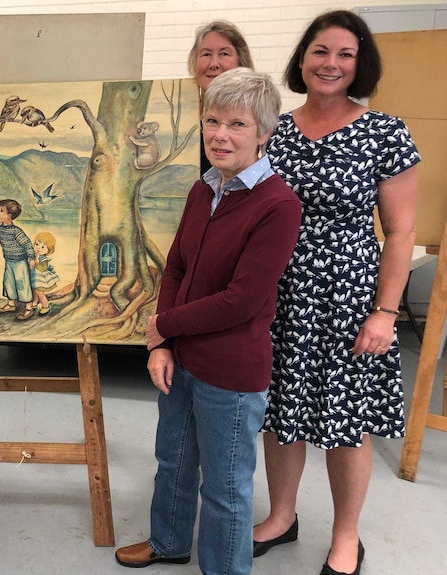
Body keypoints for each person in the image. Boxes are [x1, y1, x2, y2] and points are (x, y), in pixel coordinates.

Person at [114, 68, 301, 575]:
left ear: (264, 132)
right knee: (173, 462)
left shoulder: (278, 204)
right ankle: (168, 541)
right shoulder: (204, 190)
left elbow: (242, 300)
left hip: (232, 370)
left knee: (225, 488)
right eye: (213, 120)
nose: (220, 134)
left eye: (237, 124)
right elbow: (176, 266)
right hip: (183, 358)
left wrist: (164, 325)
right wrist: (164, 343)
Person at [253, 10, 420, 575]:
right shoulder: (272, 127)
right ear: (302, 58)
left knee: (345, 424)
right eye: (321, 51)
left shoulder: (386, 132)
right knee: (281, 412)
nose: (331, 63)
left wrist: (385, 312)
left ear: (359, 64)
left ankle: (346, 536)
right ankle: (280, 516)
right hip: (279, 293)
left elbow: (400, 231)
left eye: (345, 54)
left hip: (350, 298)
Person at [187, 20, 253, 173]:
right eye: (206, 54)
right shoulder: (181, 116)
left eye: (224, 54)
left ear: (240, 63)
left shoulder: (254, 117)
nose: (214, 63)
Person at [30, 231, 59, 316]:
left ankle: (45, 306)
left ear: (48, 250)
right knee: (34, 290)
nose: (39, 248)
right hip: (34, 276)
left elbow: (41, 268)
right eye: (37, 244)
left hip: (40, 279)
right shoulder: (33, 255)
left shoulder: (44, 259)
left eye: (43, 247)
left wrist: (37, 258)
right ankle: (35, 302)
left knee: (39, 291)